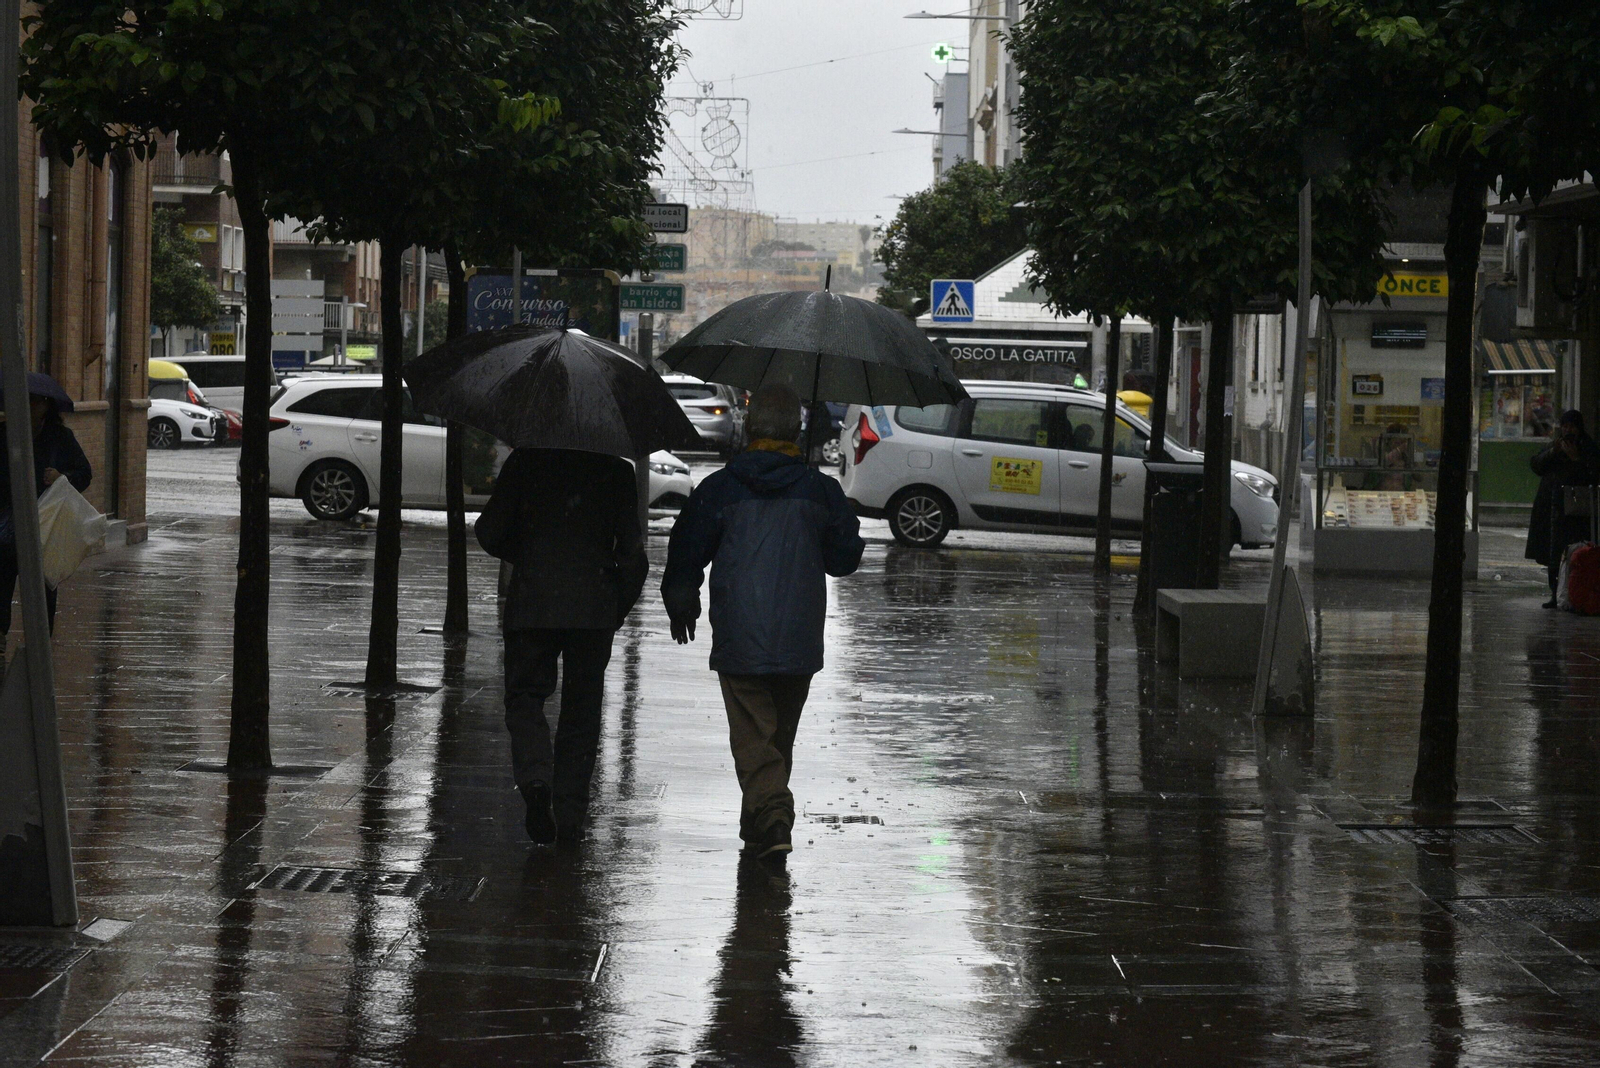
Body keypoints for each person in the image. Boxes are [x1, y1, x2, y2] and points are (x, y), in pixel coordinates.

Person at [662, 384, 865, 861]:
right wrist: (831, 517)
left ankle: (771, 817)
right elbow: (844, 560)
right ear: (794, 430)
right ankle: (760, 825)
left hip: (739, 633)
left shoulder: (721, 488)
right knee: (776, 740)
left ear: (750, 430)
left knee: (756, 740)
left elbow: (687, 550)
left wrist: (681, 601)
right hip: (797, 636)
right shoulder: (818, 489)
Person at [474, 447, 647, 845]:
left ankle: (536, 780)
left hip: (534, 601)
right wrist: (613, 608)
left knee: (524, 697)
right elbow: (633, 556)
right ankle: (570, 816)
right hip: (592, 607)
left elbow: (489, 531)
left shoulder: (526, 462)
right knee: (582, 711)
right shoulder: (616, 470)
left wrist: (531, 553)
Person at [0, 386, 92, 636]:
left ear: (45, 406)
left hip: (45, 523)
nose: (28, 407)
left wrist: (62, 477)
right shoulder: (5, 433)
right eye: (24, 401)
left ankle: (41, 639)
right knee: (3, 580)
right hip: (8, 521)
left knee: (42, 587)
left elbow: (84, 473)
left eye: (34, 402)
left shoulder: (60, 437)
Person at [1527, 410, 1600, 608]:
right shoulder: (1557, 445)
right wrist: (1554, 452)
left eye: (1572, 427)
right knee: (1554, 554)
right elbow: (1536, 464)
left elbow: (1592, 474)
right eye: (1565, 426)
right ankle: (1555, 593)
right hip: (1553, 507)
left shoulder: (1587, 447)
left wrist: (1576, 458)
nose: (1568, 431)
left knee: (1574, 552)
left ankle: (1574, 594)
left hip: (1577, 511)